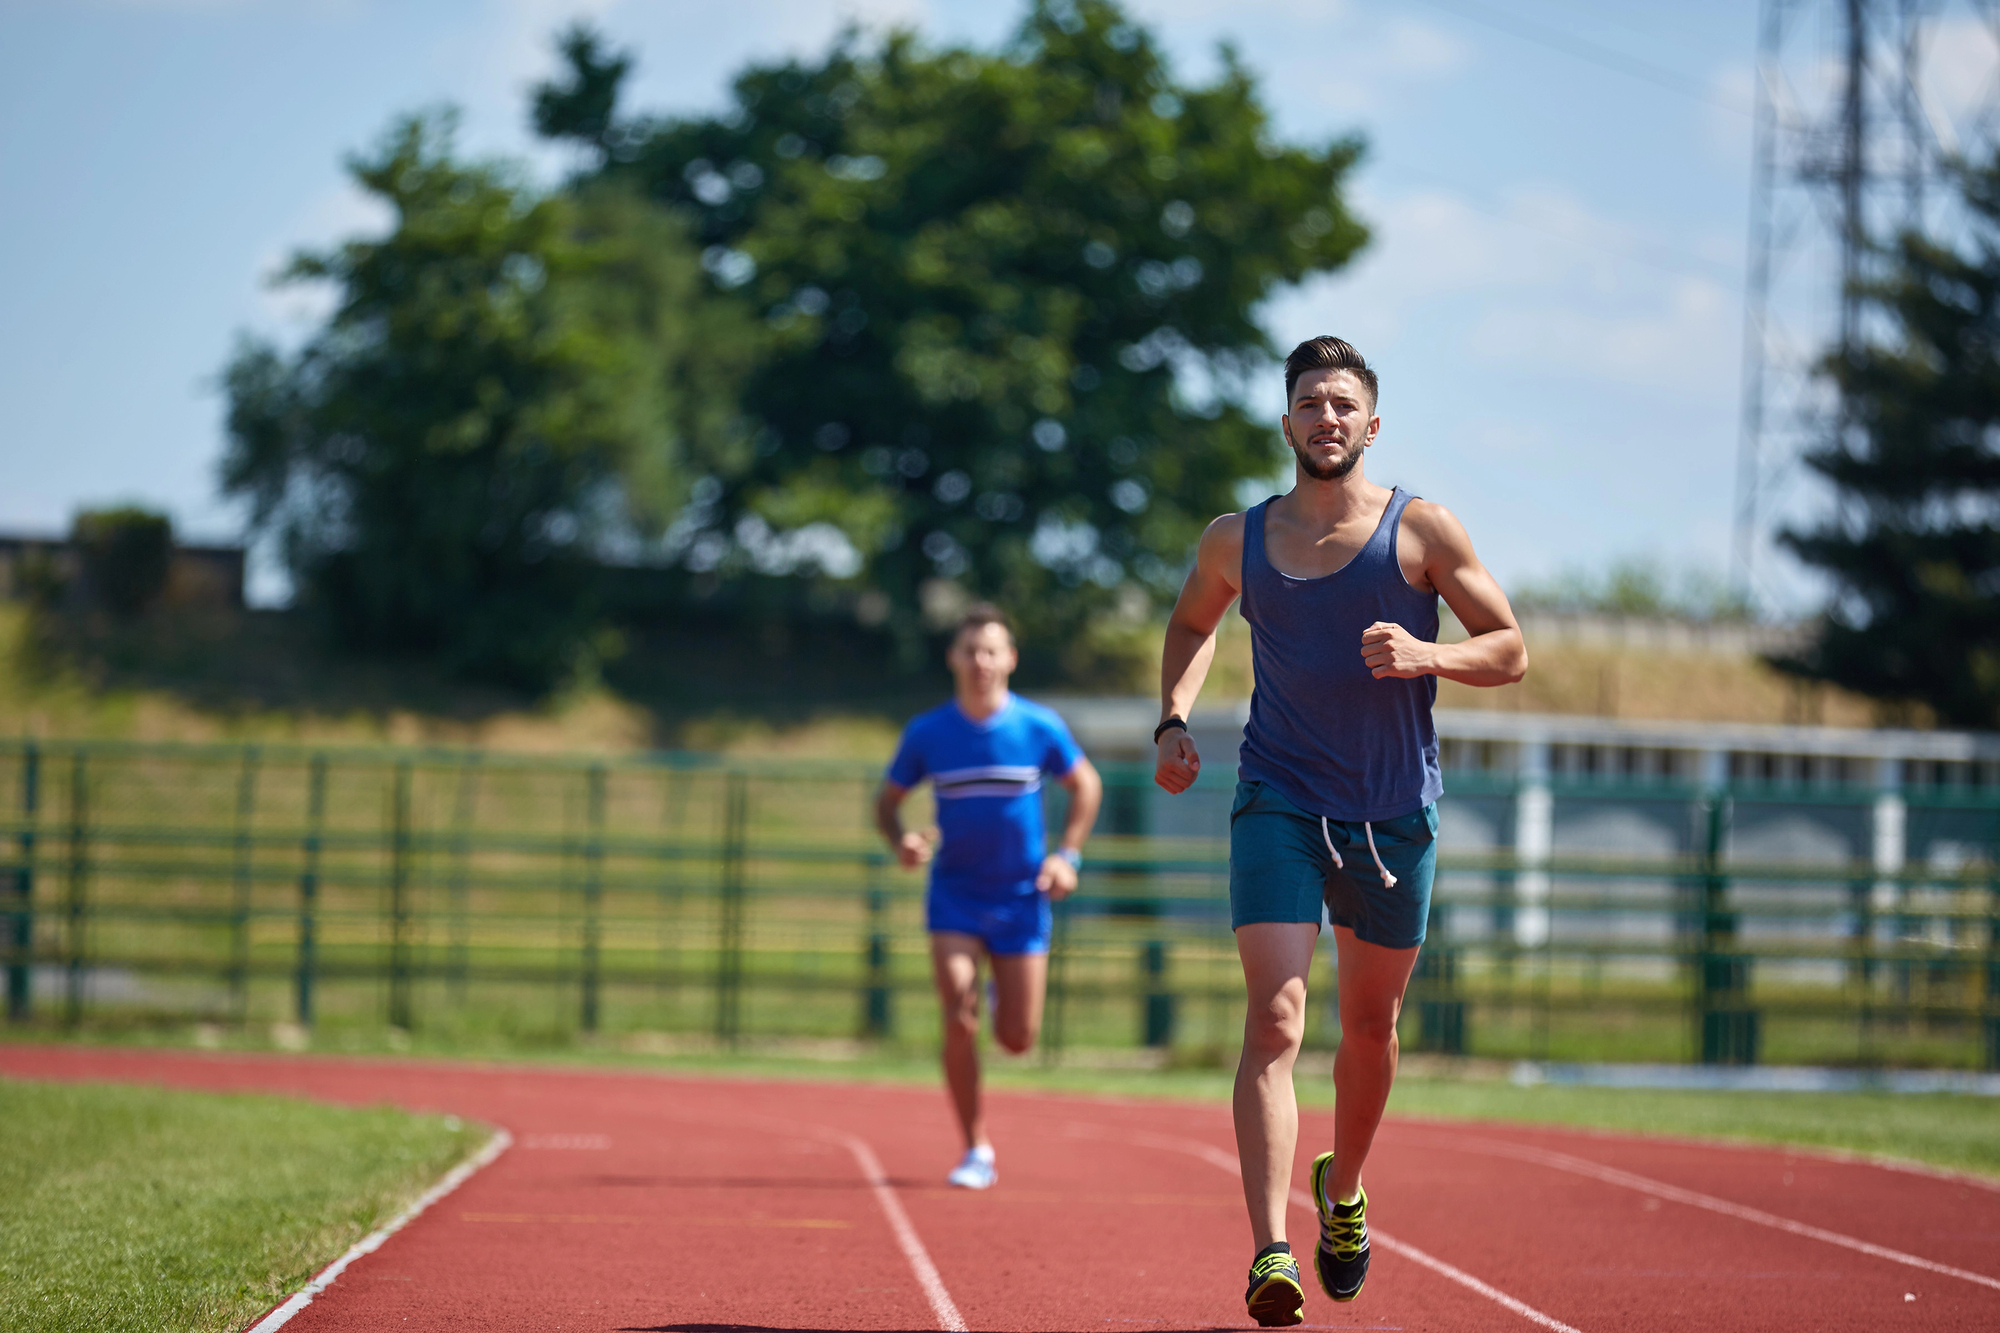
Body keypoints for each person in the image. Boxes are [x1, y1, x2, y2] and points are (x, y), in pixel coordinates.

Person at [1153, 337, 1527, 1324]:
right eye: (1308, 402)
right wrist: (1173, 717)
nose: (1325, 418)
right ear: (1286, 425)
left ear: (1370, 425)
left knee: (1369, 1027)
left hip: (1391, 811)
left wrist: (1424, 655)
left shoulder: (1421, 531)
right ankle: (1269, 1252)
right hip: (1276, 796)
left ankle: (1343, 1188)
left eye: (1341, 404)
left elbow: (1509, 649)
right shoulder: (1237, 538)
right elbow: (1192, 624)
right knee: (1274, 1019)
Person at [877, 603, 1103, 1189]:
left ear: (1009, 659)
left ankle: (1006, 989)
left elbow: (1086, 786)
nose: (981, 661)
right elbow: (887, 801)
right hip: (953, 894)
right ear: (954, 658)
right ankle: (975, 1147)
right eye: (970, 650)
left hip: (1022, 897)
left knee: (1017, 1038)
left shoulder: (1039, 727)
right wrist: (901, 840)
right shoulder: (929, 733)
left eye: (991, 650)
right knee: (957, 1011)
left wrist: (1067, 855)